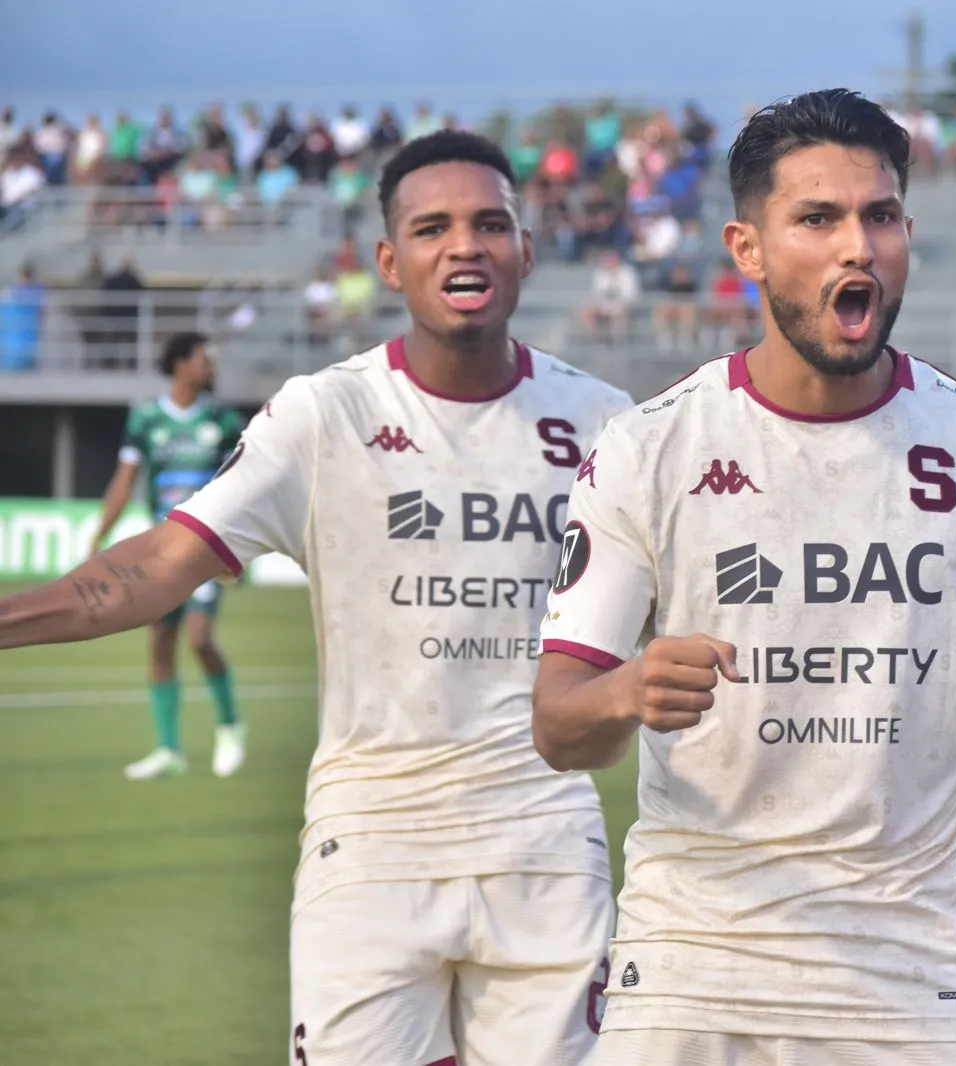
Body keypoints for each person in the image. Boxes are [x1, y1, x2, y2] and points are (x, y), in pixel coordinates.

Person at [532, 88, 956, 1066]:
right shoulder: (649, 448)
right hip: (691, 970)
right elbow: (557, 723)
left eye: (881, 215)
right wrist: (624, 690)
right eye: (817, 218)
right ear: (748, 249)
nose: (857, 244)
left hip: (906, 978)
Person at [0, 130, 629, 1066]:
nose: (465, 244)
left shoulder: (606, 424)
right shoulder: (324, 415)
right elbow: (157, 565)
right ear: (389, 260)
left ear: (526, 251)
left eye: (491, 223)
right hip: (370, 845)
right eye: (432, 227)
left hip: (543, 844)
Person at [89, 332, 248, 779]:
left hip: (206, 550)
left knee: (199, 639)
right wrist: (99, 535)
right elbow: (125, 481)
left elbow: (243, 483)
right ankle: (168, 750)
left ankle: (231, 726)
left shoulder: (223, 420)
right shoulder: (145, 420)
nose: (211, 363)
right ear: (181, 363)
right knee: (161, 643)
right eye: (204, 356)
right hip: (163, 550)